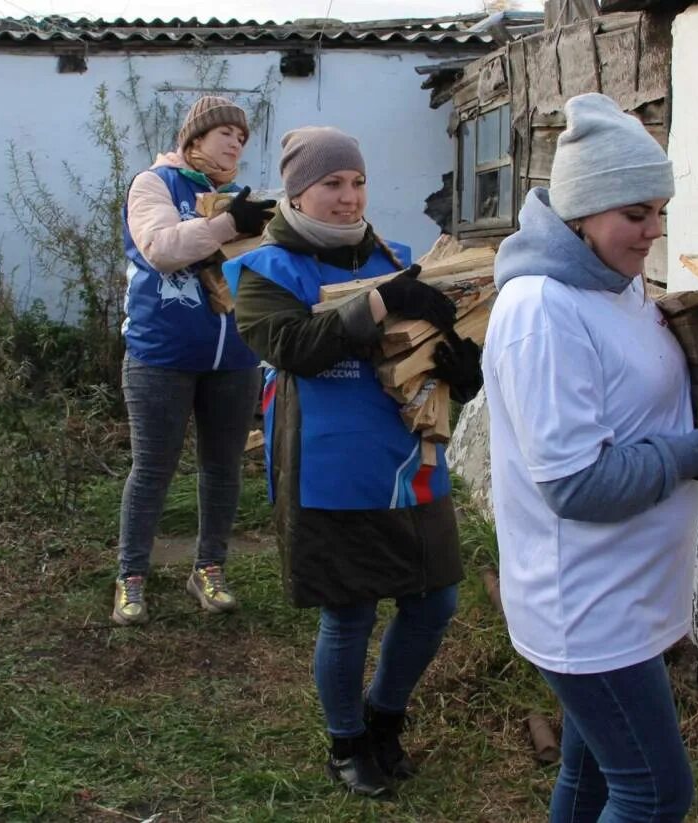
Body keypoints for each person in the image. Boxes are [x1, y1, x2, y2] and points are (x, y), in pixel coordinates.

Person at [481, 92, 698, 822]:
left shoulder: (615, 282)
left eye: (660, 211)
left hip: (623, 590)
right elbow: (577, 484)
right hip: (587, 602)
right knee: (653, 791)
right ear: (583, 211)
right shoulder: (543, 310)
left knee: (593, 776)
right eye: (636, 214)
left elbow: (631, 400)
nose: (654, 230)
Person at [223, 126, 484, 798]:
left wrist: (464, 370)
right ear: (297, 192)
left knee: (435, 600)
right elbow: (295, 347)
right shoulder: (265, 271)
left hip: (406, 457)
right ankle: (345, 742)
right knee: (350, 613)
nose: (348, 196)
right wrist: (383, 299)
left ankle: (384, 717)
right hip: (329, 463)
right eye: (332, 184)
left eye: (357, 181)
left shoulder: (393, 258)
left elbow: (424, 354)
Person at [113, 96, 275, 627]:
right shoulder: (155, 184)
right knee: (153, 469)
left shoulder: (241, 198)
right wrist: (230, 225)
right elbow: (160, 247)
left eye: (241, 137)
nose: (234, 142)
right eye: (224, 132)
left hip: (235, 357)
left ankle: (209, 568)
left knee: (223, 468)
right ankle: (131, 576)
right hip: (161, 354)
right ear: (194, 139)